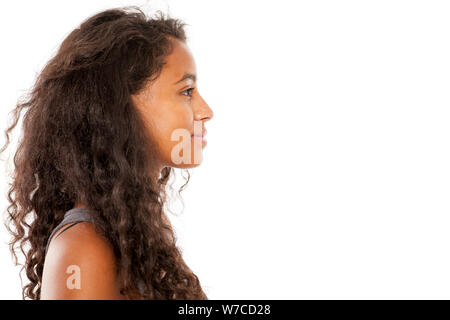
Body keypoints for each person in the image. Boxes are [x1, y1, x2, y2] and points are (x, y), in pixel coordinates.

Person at [0, 6, 213, 300]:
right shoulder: (84, 248)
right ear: (122, 106)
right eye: (187, 91)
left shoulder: (136, 231)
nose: (206, 111)